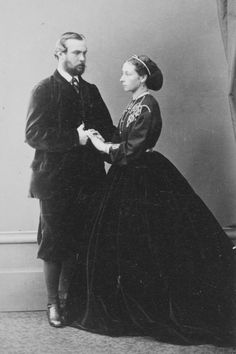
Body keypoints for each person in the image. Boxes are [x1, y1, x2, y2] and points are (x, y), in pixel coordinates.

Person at [65, 54, 236, 346]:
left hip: (142, 175)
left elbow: (132, 151)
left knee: (150, 240)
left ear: (142, 78)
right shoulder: (134, 104)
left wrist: (101, 145)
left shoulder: (148, 105)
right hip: (126, 177)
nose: (121, 78)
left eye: (127, 73)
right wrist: (100, 139)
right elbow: (121, 140)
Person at [25, 32, 115, 327]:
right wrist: (73, 138)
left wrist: (131, 144)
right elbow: (33, 134)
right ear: (59, 54)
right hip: (54, 182)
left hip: (88, 181)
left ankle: (69, 303)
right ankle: (53, 304)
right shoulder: (44, 90)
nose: (83, 59)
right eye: (77, 53)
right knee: (53, 242)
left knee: (80, 241)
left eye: (85, 53)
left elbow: (107, 129)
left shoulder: (91, 90)